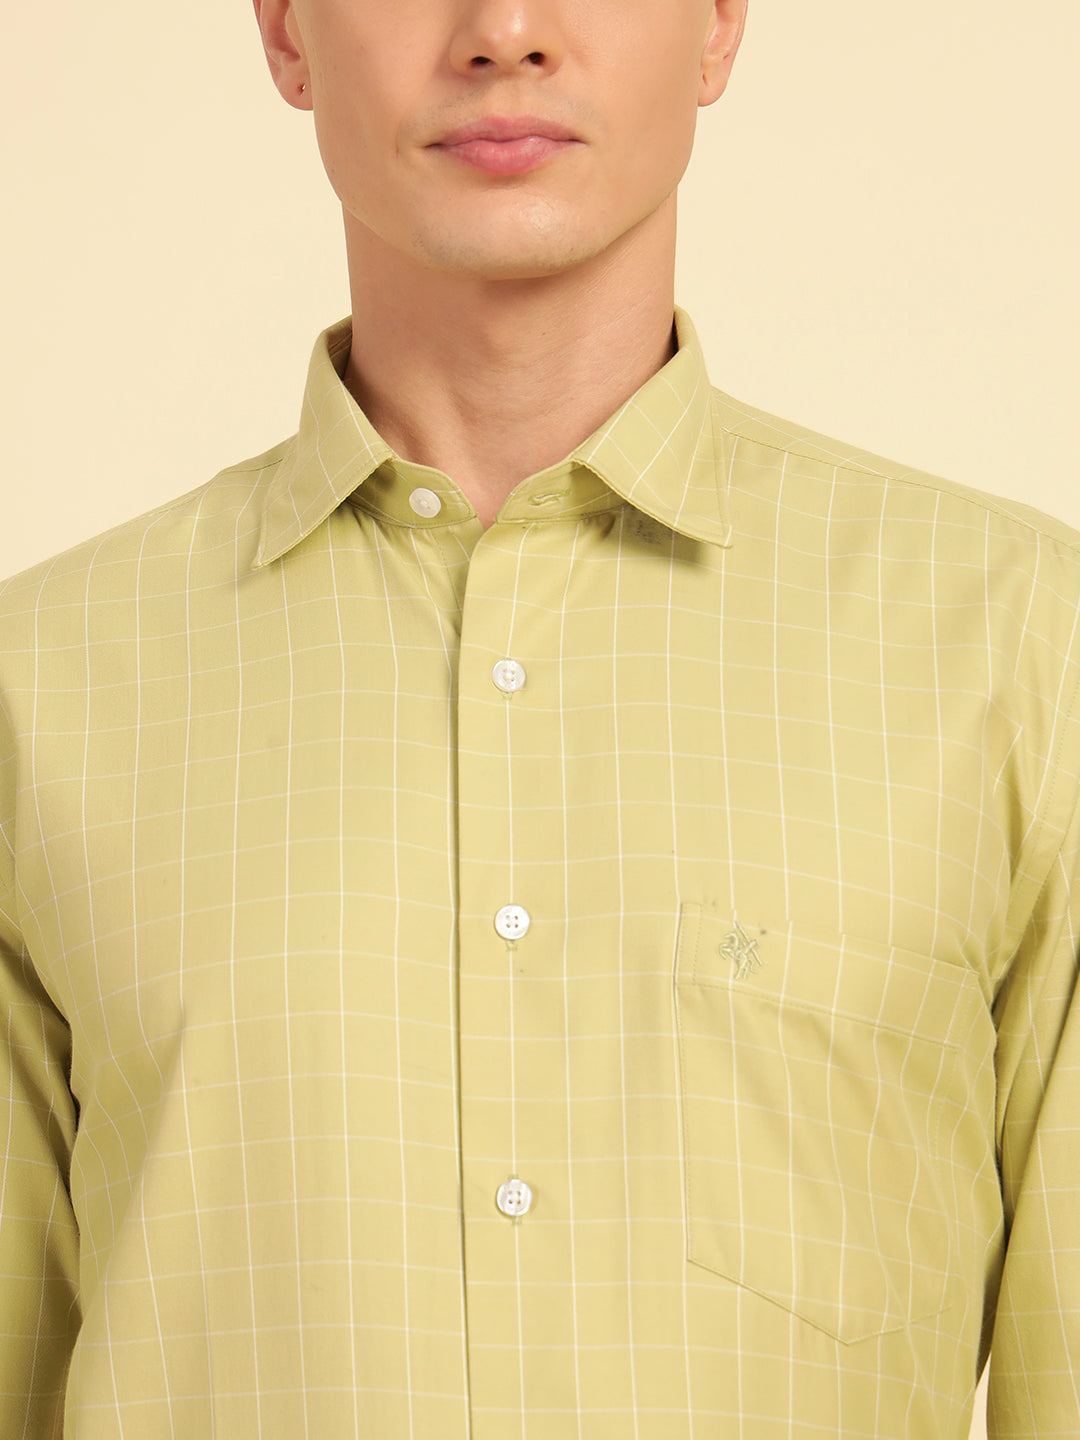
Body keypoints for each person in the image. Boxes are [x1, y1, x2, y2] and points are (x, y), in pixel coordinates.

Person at [1, 0, 1076, 1434]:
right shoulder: (40, 688)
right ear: (286, 31)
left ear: (717, 24)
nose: (504, 30)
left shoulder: (1020, 648)